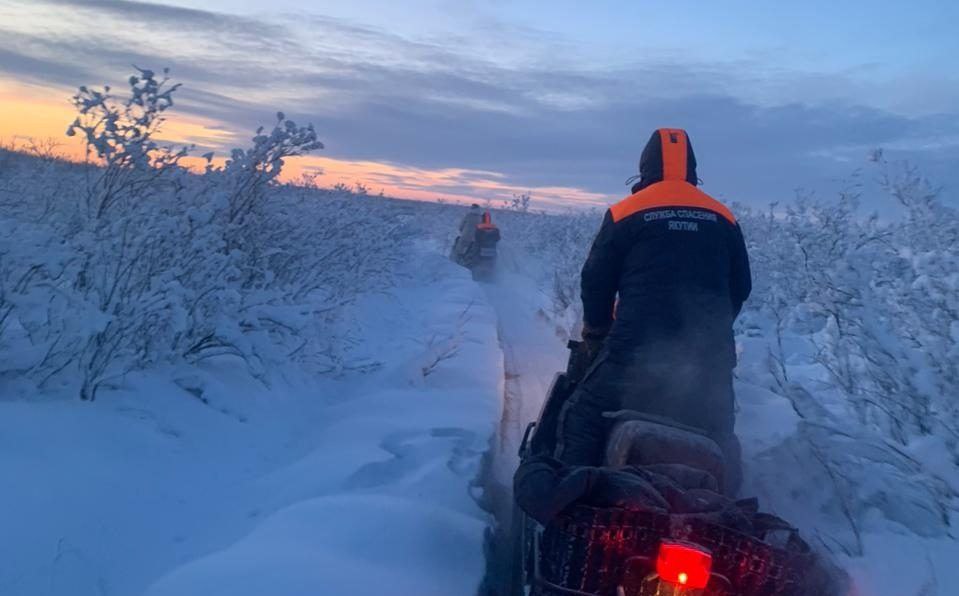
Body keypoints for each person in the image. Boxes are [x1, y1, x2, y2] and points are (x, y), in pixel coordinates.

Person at [553, 128, 751, 493]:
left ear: (644, 169)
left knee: (580, 419)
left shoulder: (625, 212)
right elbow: (741, 288)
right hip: (709, 361)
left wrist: (596, 332)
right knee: (720, 438)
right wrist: (709, 334)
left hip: (632, 353)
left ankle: (566, 509)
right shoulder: (724, 218)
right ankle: (726, 514)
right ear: (692, 170)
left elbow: (595, 280)